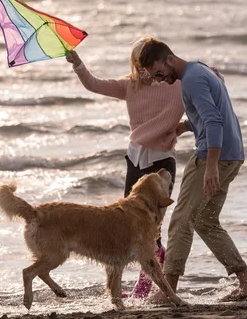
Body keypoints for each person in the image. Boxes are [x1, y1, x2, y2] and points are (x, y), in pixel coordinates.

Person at [137, 39, 247, 303]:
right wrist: (186, 126)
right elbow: (210, 116)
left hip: (212, 157)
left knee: (181, 219)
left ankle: (168, 288)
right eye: (154, 77)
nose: (160, 79)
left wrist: (211, 167)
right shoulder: (200, 71)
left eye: (159, 73)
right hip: (232, 155)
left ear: (169, 59)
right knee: (205, 221)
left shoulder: (192, 79)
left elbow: (214, 120)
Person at [65, 35, 185, 298]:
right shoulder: (130, 86)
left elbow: (204, 90)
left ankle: (143, 291)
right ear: (135, 64)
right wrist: (77, 63)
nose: (145, 70)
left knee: (152, 231)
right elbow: (94, 85)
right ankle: (116, 290)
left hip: (162, 161)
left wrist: (214, 77)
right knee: (125, 226)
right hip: (135, 159)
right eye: (139, 65)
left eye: (148, 64)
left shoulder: (175, 83)